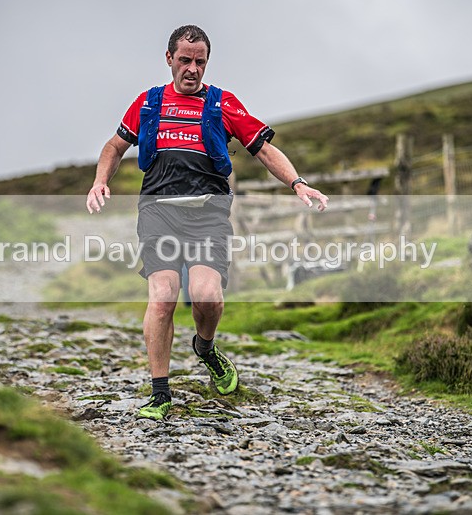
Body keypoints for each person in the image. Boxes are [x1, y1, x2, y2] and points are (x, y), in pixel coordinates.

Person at [85, 25, 328, 420]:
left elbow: (264, 150)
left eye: (200, 62)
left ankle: (205, 347)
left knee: (207, 296)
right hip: (158, 211)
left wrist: (297, 183)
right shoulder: (149, 102)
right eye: (185, 60)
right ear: (169, 59)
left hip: (208, 214)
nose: (192, 69)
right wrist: (100, 181)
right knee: (162, 296)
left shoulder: (222, 104)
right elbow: (115, 146)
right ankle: (160, 395)